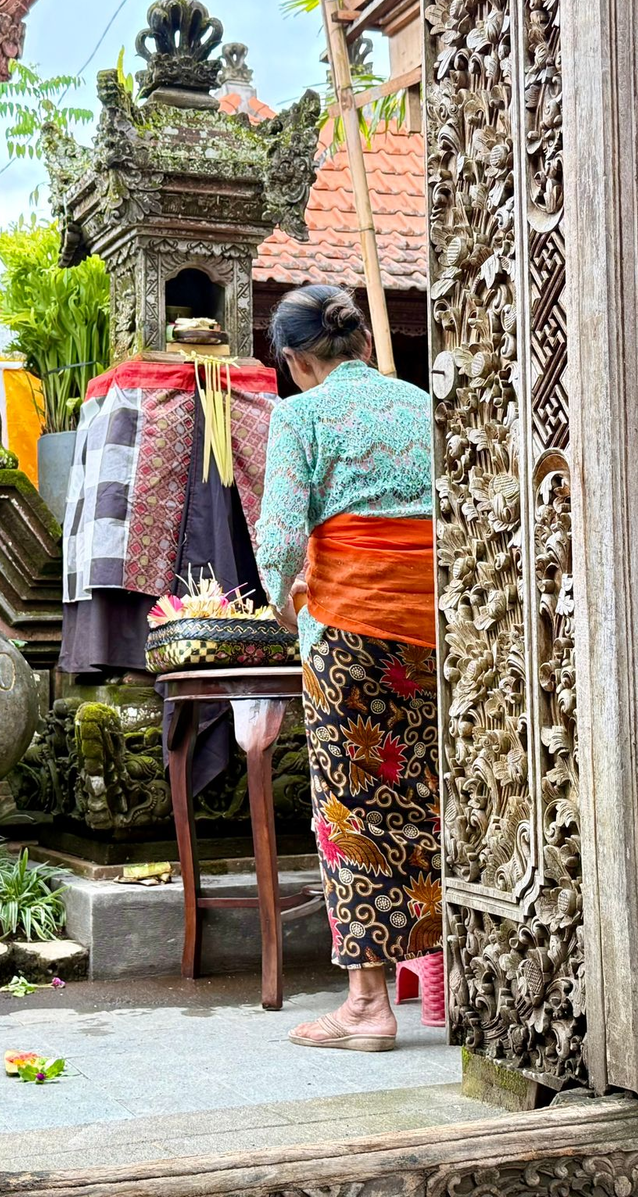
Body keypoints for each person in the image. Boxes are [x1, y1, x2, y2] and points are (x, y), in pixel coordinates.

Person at [255, 284, 439, 1051]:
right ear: (361, 342)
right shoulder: (421, 405)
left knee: (350, 810)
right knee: (430, 797)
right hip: (433, 629)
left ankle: (366, 1004)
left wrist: (281, 603)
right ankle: (451, 978)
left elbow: (277, 538)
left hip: (352, 632)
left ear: (295, 360)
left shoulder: (301, 415)